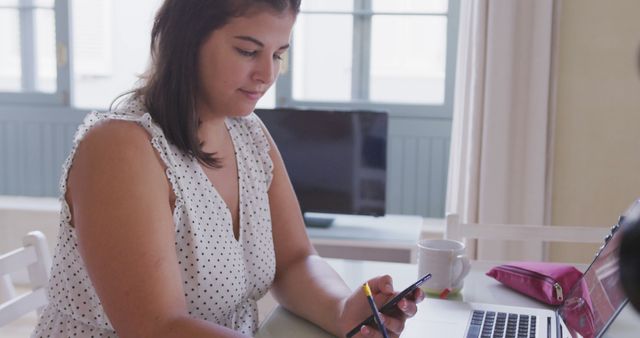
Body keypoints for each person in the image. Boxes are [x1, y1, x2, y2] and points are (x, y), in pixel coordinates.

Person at [31, 0, 423, 337]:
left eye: (278, 54)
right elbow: (155, 328)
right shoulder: (119, 149)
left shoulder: (247, 132)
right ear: (187, 41)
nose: (267, 74)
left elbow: (294, 260)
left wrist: (342, 310)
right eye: (248, 51)